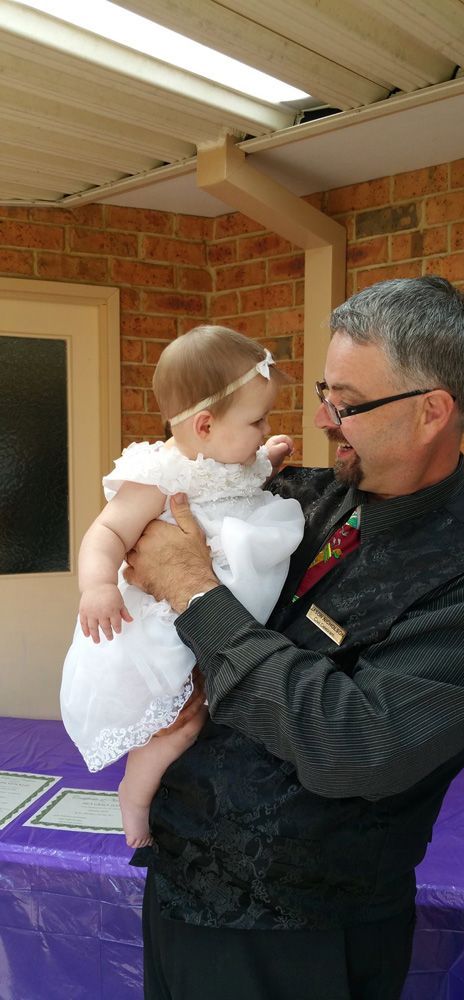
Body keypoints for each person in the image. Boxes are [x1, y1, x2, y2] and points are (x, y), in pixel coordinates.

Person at [124, 276, 464, 1000]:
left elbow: (354, 745)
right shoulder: (304, 497)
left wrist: (194, 592)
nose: (324, 419)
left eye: (348, 404)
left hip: (302, 934)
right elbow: (161, 510)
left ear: (431, 411)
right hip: (180, 887)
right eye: (327, 392)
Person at [60, 325, 304, 848]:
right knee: (180, 724)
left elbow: (240, 484)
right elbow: (107, 532)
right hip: (162, 625)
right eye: (257, 421)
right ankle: (134, 797)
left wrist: (269, 455)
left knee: (215, 712)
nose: (266, 429)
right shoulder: (158, 476)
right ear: (205, 425)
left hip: (217, 613)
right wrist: (98, 585)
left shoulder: (229, 457)